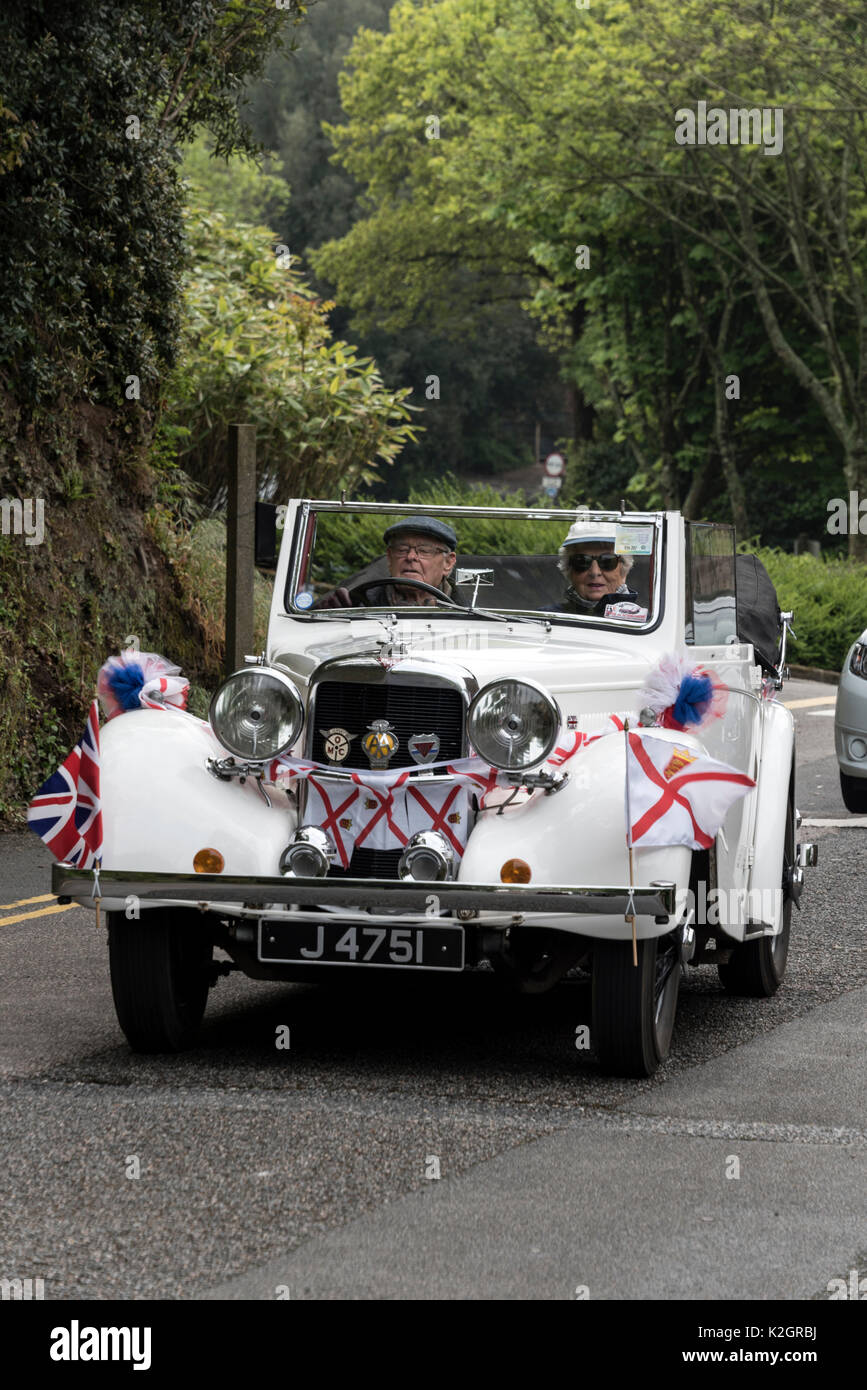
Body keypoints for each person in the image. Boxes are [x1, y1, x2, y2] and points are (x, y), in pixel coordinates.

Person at [316, 516, 458, 608]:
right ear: (389, 558)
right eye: (402, 549)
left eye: (424, 551)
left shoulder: (473, 608)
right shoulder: (358, 603)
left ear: (448, 563)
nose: (411, 557)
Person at [553, 520, 647, 619]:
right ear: (569, 570)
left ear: (624, 571)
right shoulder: (547, 619)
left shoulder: (646, 625)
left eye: (607, 561)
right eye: (582, 561)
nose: (595, 572)